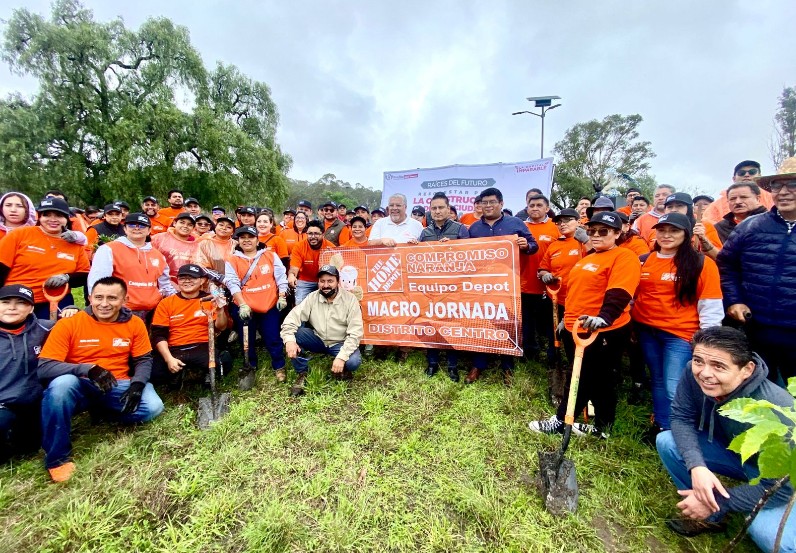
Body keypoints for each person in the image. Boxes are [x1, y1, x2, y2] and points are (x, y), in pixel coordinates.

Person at [657, 327, 795, 551]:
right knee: (668, 442)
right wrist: (697, 466)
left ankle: (709, 505)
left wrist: (721, 500)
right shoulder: (694, 373)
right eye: (698, 360)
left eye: (719, 366)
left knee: (773, 540)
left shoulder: (777, 409)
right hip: (736, 454)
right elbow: (681, 417)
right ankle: (711, 517)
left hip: (777, 477)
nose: (704, 373)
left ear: (747, 369)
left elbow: (781, 489)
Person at [37, 276, 164, 482]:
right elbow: (45, 367)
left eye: (112, 298)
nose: (104, 304)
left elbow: (143, 359)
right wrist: (86, 369)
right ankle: (57, 459)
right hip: (79, 383)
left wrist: (138, 384)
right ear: (89, 298)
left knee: (153, 406)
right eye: (98, 298)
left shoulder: (134, 323)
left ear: (125, 300)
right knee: (60, 385)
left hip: (116, 383)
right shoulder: (69, 324)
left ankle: (102, 412)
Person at [528, 212, 640, 437]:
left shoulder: (623, 256)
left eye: (603, 231)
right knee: (594, 378)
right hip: (575, 328)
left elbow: (620, 291)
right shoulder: (588, 258)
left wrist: (604, 317)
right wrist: (565, 319)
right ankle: (601, 426)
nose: (596, 235)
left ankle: (562, 421)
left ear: (617, 233)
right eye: (592, 231)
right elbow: (578, 294)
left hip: (602, 330)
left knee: (586, 378)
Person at [631, 213, 723, 433]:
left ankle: (687, 433)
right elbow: (635, 296)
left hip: (680, 335)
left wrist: (707, 342)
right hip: (647, 331)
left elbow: (710, 304)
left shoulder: (701, 263)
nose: (666, 235)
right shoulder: (645, 260)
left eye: (674, 231)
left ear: (686, 234)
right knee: (658, 380)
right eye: (662, 230)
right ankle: (663, 426)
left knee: (675, 386)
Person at [717, 159, 796, 384]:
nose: (783, 192)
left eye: (792, 185)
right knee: (759, 393)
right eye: (778, 186)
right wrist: (734, 300)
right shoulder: (751, 226)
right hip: (758, 329)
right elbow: (727, 265)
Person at [467, 188, 538, 384]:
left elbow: (533, 245)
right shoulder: (473, 228)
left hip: (508, 285)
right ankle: (478, 365)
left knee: (507, 323)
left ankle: (508, 367)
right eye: (484, 203)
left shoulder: (515, 223)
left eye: (492, 202)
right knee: (481, 323)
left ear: (501, 203)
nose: (487, 206)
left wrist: (526, 245)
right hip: (481, 286)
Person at [0, 198, 90, 320]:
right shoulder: (20, 234)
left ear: (66, 219)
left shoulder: (75, 244)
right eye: (47, 215)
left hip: (56, 299)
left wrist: (67, 277)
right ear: (39, 217)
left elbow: (84, 275)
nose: (53, 219)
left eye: (59, 215)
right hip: (17, 297)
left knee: (59, 332)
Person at [281, 265, 363, 396]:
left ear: (338, 282)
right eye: (322, 281)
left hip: (340, 342)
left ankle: (343, 369)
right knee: (293, 335)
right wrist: (289, 341)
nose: (326, 285)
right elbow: (291, 319)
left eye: (330, 281)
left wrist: (341, 358)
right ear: (318, 282)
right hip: (318, 338)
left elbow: (356, 333)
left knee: (353, 362)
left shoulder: (350, 300)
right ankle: (302, 372)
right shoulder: (312, 297)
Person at [224, 225, 289, 389]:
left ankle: (279, 365)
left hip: (269, 305)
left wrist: (282, 296)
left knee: (273, 336)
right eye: (242, 237)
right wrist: (243, 304)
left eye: (250, 237)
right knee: (248, 339)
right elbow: (232, 284)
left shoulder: (270, 255)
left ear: (257, 239)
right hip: (246, 307)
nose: (246, 240)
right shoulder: (232, 260)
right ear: (238, 241)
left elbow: (281, 278)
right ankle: (250, 365)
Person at [537, 209, 589, 402]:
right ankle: (558, 380)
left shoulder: (586, 241)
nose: (563, 224)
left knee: (580, 347)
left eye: (568, 220)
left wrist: (586, 240)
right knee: (557, 342)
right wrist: (545, 275)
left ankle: (582, 383)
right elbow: (542, 268)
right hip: (558, 301)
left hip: (582, 304)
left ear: (578, 221)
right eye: (559, 222)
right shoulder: (554, 246)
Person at [0, 284, 54, 463]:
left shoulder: (46, 329)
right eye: (6, 302)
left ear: (31, 308)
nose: (12, 307)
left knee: (29, 448)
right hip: (2, 405)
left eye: (20, 303)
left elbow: (83, 325)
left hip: (32, 405)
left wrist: (71, 309)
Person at [88, 213, 176, 323]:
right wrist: (99, 305)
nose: (137, 228)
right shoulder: (108, 249)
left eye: (142, 226)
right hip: (121, 311)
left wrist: (180, 300)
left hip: (152, 312)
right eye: (132, 225)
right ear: (124, 229)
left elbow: (165, 285)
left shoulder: (158, 255)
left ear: (149, 230)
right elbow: (97, 282)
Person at [419, 192, 470, 381]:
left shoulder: (460, 229)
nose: (437, 211)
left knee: (450, 326)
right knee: (430, 325)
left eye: (441, 207)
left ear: (449, 209)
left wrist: (455, 246)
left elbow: (471, 256)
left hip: (453, 289)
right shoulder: (425, 232)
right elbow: (417, 259)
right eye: (434, 208)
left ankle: (452, 366)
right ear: (430, 211)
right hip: (430, 289)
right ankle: (432, 363)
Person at [150, 264, 228, 386]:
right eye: (182, 278)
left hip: (202, 346)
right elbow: (159, 335)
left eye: (192, 278)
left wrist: (220, 310)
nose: (187, 281)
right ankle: (176, 377)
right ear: (177, 281)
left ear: (202, 280)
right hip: (174, 348)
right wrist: (169, 358)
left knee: (223, 364)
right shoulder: (166, 303)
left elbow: (221, 327)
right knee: (155, 374)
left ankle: (204, 376)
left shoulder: (210, 300)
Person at [520, 194, 560, 362]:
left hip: (549, 285)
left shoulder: (556, 227)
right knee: (526, 322)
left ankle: (553, 353)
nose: (535, 208)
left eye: (539, 205)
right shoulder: (520, 226)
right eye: (531, 205)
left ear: (547, 208)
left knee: (550, 322)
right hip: (524, 283)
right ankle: (530, 353)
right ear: (527, 208)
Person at [700, 161, 774, 224]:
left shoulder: (774, 198)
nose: (746, 175)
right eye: (741, 173)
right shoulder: (717, 205)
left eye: (752, 172)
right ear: (734, 178)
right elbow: (708, 227)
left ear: (760, 176)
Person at [654, 193, 722, 259]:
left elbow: (719, 257)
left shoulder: (703, 226)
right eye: (669, 207)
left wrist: (704, 241)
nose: (673, 210)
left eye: (679, 206)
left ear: (689, 208)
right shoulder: (659, 227)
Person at [289, 221, 335, 304]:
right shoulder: (299, 247)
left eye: (316, 234)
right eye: (310, 234)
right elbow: (294, 268)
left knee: (329, 303)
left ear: (323, 234)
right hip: (305, 280)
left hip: (325, 280)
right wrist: (292, 275)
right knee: (300, 303)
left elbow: (336, 269)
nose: (313, 237)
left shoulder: (330, 247)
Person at [151, 212, 199, 284]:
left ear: (193, 228)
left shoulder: (198, 244)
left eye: (190, 225)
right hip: (161, 284)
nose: (185, 226)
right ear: (174, 223)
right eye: (182, 222)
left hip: (188, 286)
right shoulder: (159, 239)